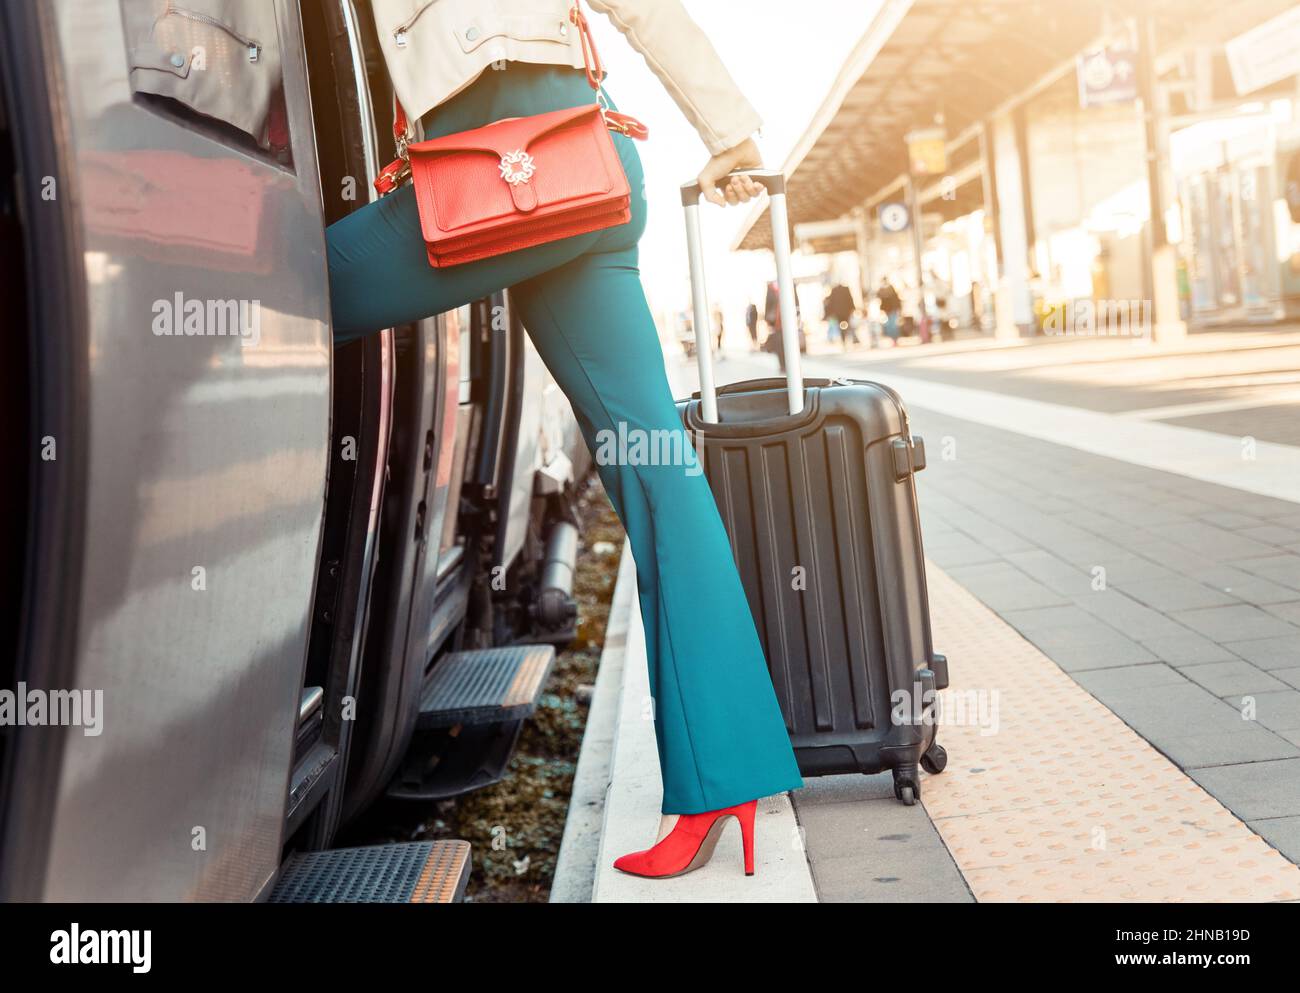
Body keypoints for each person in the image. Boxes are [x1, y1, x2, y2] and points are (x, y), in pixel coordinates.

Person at [329, 0, 802, 880]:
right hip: (587, 171)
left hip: (494, 177)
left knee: (292, 284)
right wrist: (732, 132)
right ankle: (724, 782)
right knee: (663, 477)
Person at [877, 279, 902, 346]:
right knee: (889, 326)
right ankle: (893, 339)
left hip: (893, 310)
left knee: (893, 325)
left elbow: (896, 299)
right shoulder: (882, 290)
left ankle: (895, 339)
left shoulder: (891, 288)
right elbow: (878, 296)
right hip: (887, 311)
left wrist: (899, 309)